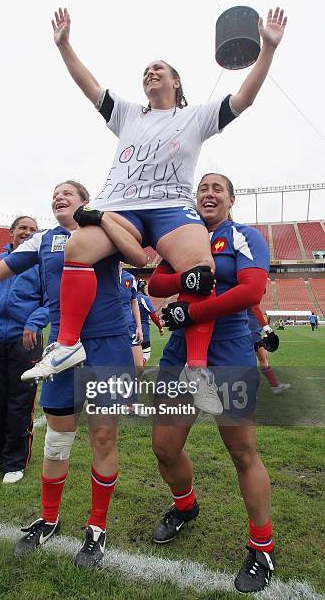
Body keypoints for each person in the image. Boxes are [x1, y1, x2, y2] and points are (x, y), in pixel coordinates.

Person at [30, 6, 287, 418]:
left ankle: (197, 371)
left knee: (200, 266)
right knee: (77, 246)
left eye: (158, 69)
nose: (150, 73)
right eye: (146, 70)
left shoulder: (196, 116)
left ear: (176, 81)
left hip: (170, 207)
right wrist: (64, 46)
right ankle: (66, 345)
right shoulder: (128, 113)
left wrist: (268, 49)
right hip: (122, 206)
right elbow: (89, 85)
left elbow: (245, 98)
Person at [0, 180, 143, 568]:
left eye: (68, 194)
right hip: (62, 349)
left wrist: (105, 220)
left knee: (103, 437)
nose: (59, 197)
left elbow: (140, 256)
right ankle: (48, 518)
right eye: (54, 194)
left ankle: (96, 528)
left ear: (85, 203)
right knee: (57, 440)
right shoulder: (42, 241)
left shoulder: (103, 230)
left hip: (107, 346)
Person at [148, 173, 276, 593]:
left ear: (231, 200)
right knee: (165, 449)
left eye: (217, 188)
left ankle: (262, 547)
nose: (208, 193)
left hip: (230, 348)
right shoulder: (182, 238)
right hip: (180, 349)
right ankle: (185, 507)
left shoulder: (244, 236)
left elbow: (252, 290)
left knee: (242, 452)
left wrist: (196, 311)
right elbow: (156, 282)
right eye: (202, 188)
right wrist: (186, 282)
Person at [0, 216, 49, 484]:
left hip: (25, 341)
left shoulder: (41, 265)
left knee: (19, 402)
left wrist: (34, 323)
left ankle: (15, 461)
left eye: (33, 230)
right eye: (22, 228)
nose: (27, 232)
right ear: (11, 234)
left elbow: (50, 302)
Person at [247, 305, 290, 394]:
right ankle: (248, 391)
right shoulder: (249, 304)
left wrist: (266, 331)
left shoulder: (254, 307)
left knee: (263, 357)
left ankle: (275, 385)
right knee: (249, 364)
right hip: (249, 336)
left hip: (255, 335)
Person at [119, 265, 144, 370]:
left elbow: (134, 301)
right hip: (112, 328)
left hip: (130, 328)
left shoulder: (129, 278)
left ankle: (136, 386)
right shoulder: (103, 277)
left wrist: (139, 327)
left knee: (138, 368)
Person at [136, 279, 164, 364]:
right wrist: (160, 327)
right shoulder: (144, 298)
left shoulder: (131, 298)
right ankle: (137, 375)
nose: (147, 290)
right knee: (145, 356)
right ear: (141, 288)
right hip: (143, 331)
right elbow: (153, 315)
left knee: (134, 355)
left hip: (130, 330)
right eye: (145, 288)